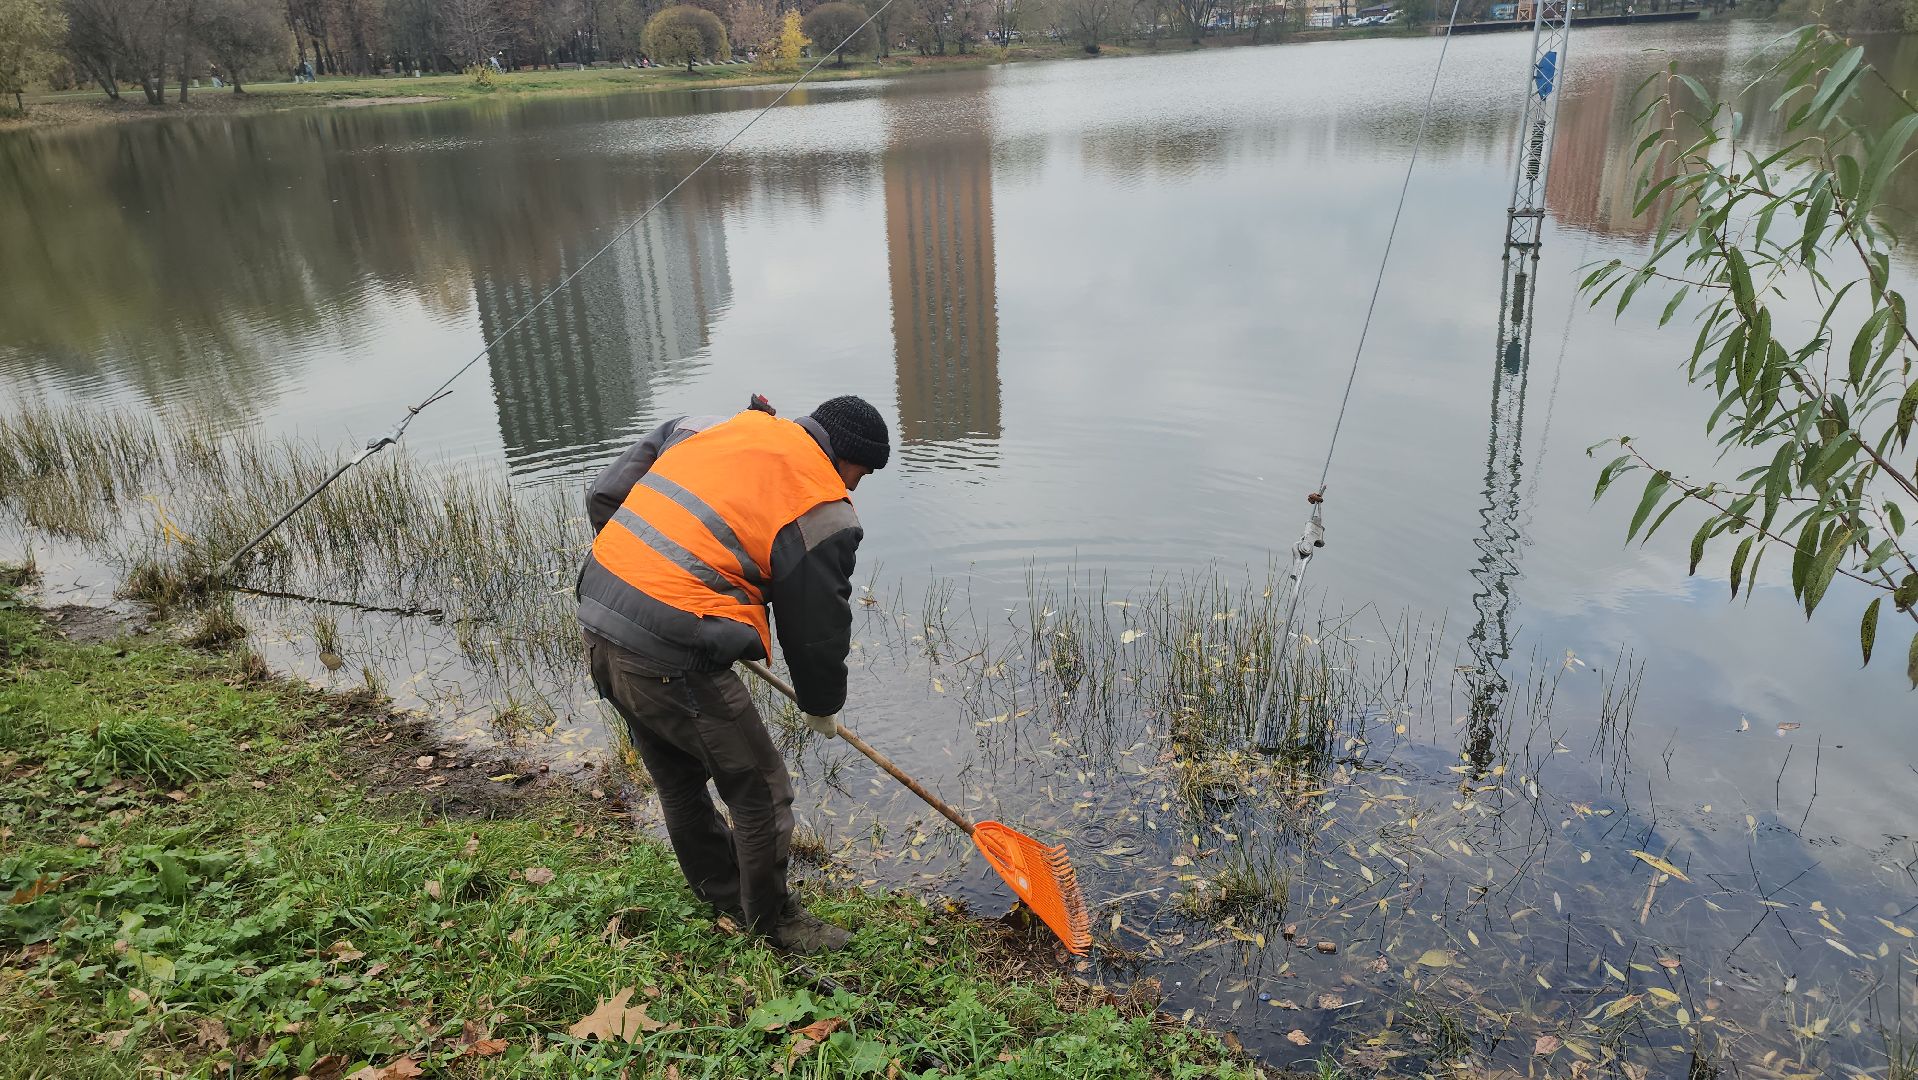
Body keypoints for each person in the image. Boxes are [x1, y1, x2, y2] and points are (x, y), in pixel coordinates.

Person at [577, 395, 890, 954]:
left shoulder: (709, 425)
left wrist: (648, 573)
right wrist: (821, 704)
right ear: (845, 457)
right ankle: (775, 925)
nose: (855, 487)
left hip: (599, 615)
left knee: (678, 778)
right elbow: (815, 628)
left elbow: (605, 495)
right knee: (762, 791)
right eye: (861, 474)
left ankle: (722, 893)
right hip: (668, 652)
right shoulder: (823, 508)